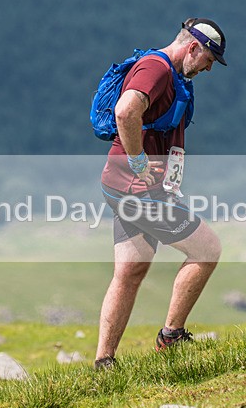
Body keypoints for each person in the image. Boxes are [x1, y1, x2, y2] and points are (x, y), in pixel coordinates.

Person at [94, 18, 227, 370]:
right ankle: (172, 337)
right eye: (209, 60)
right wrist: (139, 161)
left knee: (130, 271)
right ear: (193, 48)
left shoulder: (169, 72)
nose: (208, 69)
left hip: (121, 186)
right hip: (140, 192)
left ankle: (104, 362)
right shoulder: (156, 69)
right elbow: (125, 111)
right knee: (207, 250)